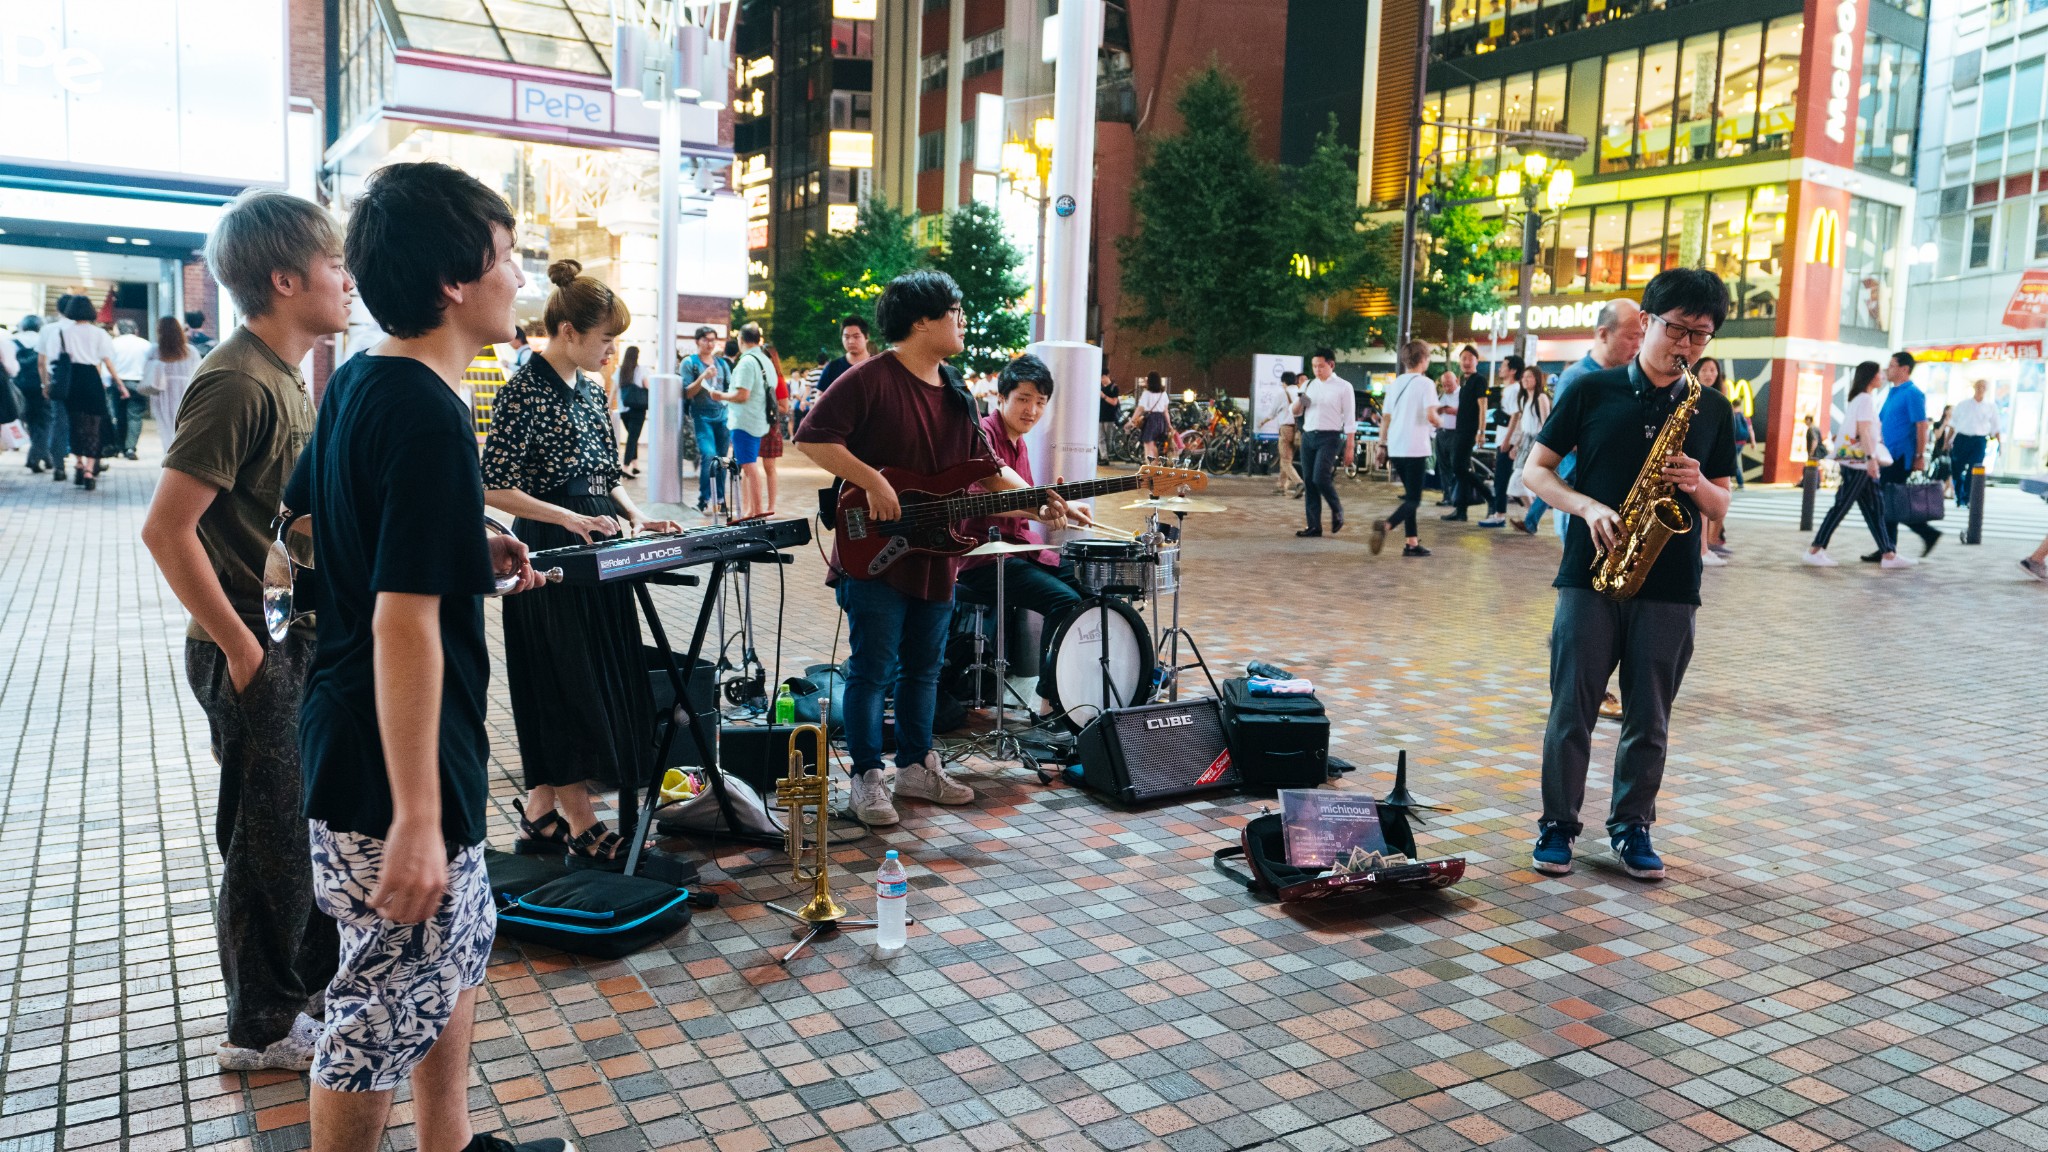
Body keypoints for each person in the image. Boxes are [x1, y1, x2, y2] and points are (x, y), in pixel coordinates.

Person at [284, 161, 559, 1152]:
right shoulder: (428, 413)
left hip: (375, 734)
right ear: (454, 280)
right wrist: (413, 819)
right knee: (373, 1017)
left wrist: (457, 548)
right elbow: (402, 622)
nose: (518, 277)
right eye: (505, 255)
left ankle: (450, 1144)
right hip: (391, 766)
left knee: (453, 956)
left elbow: (310, 524)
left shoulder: (365, 379)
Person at [141, 189, 353, 1073]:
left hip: (284, 639)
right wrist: (240, 649)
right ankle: (262, 1027)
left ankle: (298, 999)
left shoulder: (284, 373)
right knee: (266, 834)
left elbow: (278, 521)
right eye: (336, 267)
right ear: (283, 277)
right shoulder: (235, 380)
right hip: (248, 645)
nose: (349, 282)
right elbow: (165, 527)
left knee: (293, 828)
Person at [795, 270, 1073, 826]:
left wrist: (1042, 500)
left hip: (936, 556)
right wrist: (873, 481)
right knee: (872, 669)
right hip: (875, 552)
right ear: (921, 321)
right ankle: (867, 776)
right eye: (954, 311)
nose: (962, 320)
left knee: (924, 668)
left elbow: (989, 473)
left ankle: (918, 765)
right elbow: (812, 436)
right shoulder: (870, 378)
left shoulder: (957, 391)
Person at [1521, 268, 1738, 882]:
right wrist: (1586, 506)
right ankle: (1558, 825)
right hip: (1590, 574)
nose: (1687, 346)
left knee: (1650, 717)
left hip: (1670, 584)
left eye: (1701, 336)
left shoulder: (1712, 408)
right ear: (1646, 322)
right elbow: (1536, 473)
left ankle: (1631, 826)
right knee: (1572, 710)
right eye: (1677, 330)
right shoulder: (1591, 391)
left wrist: (1696, 484)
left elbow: (1721, 507)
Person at [483, 260, 680, 869]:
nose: (610, 350)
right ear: (567, 331)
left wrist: (639, 516)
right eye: (604, 339)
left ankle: (541, 813)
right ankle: (578, 820)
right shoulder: (523, 389)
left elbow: (604, 477)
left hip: (597, 539)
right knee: (563, 681)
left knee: (590, 677)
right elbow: (493, 486)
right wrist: (567, 518)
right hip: (549, 544)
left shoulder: (594, 392)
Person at [954, 354, 1091, 707]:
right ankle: (1047, 703)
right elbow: (984, 500)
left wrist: (1065, 509)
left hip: (1019, 549)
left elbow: (1028, 501)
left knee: (1087, 586)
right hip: (981, 558)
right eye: (1024, 399)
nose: (1032, 410)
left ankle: (1076, 687)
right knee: (1064, 601)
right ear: (1002, 397)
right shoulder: (982, 433)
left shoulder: (1020, 441)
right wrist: (1044, 510)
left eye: (1040, 402)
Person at [1520, 299, 1642, 535]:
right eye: (1631, 336)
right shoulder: (1576, 379)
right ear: (1603, 334)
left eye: (1641, 336)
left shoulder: (1630, 378)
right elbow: (1563, 441)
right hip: (1579, 498)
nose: (1637, 345)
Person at [1803, 361, 1908, 569]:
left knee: (1876, 507)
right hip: (1858, 463)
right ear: (1870, 377)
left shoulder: (1859, 399)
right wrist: (1871, 460)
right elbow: (1865, 431)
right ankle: (1815, 549)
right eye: (1879, 373)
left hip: (1856, 461)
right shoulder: (1865, 400)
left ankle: (1888, 553)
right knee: (1842, 506)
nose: (1883, 376)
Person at [47, 296, 120, 491]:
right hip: (91, 379)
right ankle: (89, 469)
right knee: (94, 424)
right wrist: (119, 385)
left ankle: (78, 462)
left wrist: (48, 384)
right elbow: (107, 361)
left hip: (71, 381)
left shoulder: (60, 332)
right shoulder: (99, 334)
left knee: (74, 422)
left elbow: (53, 360)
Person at [1874, 351, 1942, 559]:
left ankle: (1890, 547)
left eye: (1892, 365)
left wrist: (1919, 456)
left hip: (1901, 456)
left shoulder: (1913, 393)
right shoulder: (1893, 392)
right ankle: (1892, 546)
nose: (1888, 369)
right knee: (1892, 502)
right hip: (1887, 455)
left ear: (1905, 369)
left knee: (1889, 502)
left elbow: (1921, 425)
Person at [1370, 340, 1434, 557]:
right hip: (1415, 446)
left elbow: (1385, 418)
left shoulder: (1395, 384)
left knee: (1409, 498)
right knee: (1414, 499)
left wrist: (1382, 444)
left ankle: (1411, 543)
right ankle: (1387, 525)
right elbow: (1432, 415)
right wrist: (1442, 422)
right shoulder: (1426, 384)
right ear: (1423, 359)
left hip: (1395, 447)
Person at [709, 322, 773, 518]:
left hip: (744, 421)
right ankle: (751, 510)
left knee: (749, 466)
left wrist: (720, 395)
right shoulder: (765, 360)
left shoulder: (746, 362)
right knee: (749, 465)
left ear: (741, 340)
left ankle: (757, 511)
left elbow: (742, 394)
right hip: (759, 419)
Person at [1293, 350, 1356, 537]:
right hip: (1308, 436)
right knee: (1309, 482)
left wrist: (1350, 447)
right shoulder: (1309, 385)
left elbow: (1351, 419)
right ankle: (1314, 525)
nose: (1317, 370)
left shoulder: (1344, 387)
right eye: (1314, 366)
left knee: (1320, 477)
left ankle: (1337, 509)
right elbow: (1295, 412)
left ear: (1331, 365)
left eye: (1321, 366)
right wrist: (1300, 402)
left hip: (1330, 437)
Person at [679, 326, 730, 513]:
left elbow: (728, 389)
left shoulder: (722, 364)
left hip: (723, 416)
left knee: (723, 459)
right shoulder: (689, 363)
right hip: (702, 416)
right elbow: (686, 393)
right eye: (705, 340)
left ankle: (720, 499)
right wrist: (703, 376)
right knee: (708, 455)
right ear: (697, 341)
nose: (709, 344)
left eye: (712, 340)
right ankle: (704, 498)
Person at [142, 315, 202, 453]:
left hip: (162, 390)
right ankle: (183, 453)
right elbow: (198, 372)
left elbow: (146, 370)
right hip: (185, 390)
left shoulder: (155, 350)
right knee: (185, 424)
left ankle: (169, 454)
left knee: (165, 426)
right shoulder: (190, 351)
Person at [1694, 357, 1732, 567]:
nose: (1710, 374)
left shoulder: (1719, 400)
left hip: (1713, 458)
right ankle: (1703, 548)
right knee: (1701, 505)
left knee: (1717, 502)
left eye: (1713, 370)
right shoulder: (1689, 394)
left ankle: (1710, 544)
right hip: (1699, 459)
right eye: (1706, 370)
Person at [1480, 355, 1524, 527]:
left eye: (1504, 366)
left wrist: (1507, 440)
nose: (1500, 368)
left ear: (1513, 370)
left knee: (1502, 478)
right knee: (1503, 478)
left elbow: (1515, 415)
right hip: (1504, 438)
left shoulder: (1514, 389)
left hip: (1508, 440)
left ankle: (1499, 514)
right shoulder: (1509, 389)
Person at [1445, 345, 1488, 520]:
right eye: (1463, 358)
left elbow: (1482, 406)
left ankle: (1489, 495)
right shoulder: (1464, 380)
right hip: (1459, 430)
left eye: (1470, 358)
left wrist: (1481, 431)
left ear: (1476, 361)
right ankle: (1461, 511)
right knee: (1460, 470)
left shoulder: (1479, 380)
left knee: (1459, 467)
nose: (1466, 361)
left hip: (1469, 431)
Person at [1501, 364, 1551, 509]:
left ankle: (1531, 517)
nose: (1525, 379)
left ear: (1537, 379)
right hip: (1526, 442)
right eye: (1523, 377)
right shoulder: (1524, 400)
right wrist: (1516, 445)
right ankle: (1531, 517)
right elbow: (1524, 428)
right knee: (1521, 480)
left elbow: (1546, 424)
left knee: (1519, 478)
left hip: (1536, 442)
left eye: (1529, 376)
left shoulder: (1541, 398)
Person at [13, 316, 58, 476]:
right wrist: (47, 384)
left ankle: (46, 457)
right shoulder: (44, 339)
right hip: (40, 386)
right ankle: (35, 457)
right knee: (45, 421)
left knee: (31, 421)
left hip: (18, 387)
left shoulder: (13, 340)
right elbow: (48, 364)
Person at [1948, 379, 1999, 508]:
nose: (1980, 389)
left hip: (1979, 440)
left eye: (1983, 387)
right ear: (1974, 387)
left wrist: (2000, 444)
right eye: (1979, 386)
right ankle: (1959, 495)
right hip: (1962, 438)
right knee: (1957, 468)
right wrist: (1947, 441)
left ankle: (1967, 497)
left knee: (1975, 469)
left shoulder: (1990, 407)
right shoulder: (1963, 404)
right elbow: (1953, 425)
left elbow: (1995, 426)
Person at [110, 318, 154, 458]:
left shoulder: (113, 344)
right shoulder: (146, 345)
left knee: (118, 415)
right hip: (138, 383)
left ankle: (118, 446)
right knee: (135, 416)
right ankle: (130, 448)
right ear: (136, 331)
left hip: (117, 383)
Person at [759, 342, 792, 516]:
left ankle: (771, 507)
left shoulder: (778, 380)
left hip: (769, 425)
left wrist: (765, 405)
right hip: (753, 423)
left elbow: (784, 408)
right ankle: (751, 506)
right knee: (746, 467)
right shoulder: (755, 377)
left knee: (769, 466)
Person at [614, 343, 649, 477]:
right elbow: (648, 386)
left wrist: (610, 406)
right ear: (637, 356)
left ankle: (635, 465)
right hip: (638, 409)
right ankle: (625, 466)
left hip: (624, 409)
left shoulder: (620, 370)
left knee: (632, 437)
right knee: (633, 438)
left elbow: (615, 389)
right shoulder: (641, 370)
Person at [815, 314, 872, 395]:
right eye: (846, 337)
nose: (851, 341)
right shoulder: (832, 368)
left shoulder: (878, 366)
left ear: (866, 337)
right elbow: (820, 397)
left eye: (856, 336)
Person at [1430, 370, 1460, 504]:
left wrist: (1450, 410)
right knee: (1443, 466)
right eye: (1444, 385)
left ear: (1457, 381)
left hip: (1455, 433)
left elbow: (1464, 411)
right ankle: (1447, 496)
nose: (1447, 388)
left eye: (1449, 384)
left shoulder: (1462, 394)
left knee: (1456, 465)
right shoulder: (1442, 395)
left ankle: (1456, 495)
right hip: (1442, 432)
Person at [1274, 370, 1303, 497]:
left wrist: (1263, 421)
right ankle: (1282, 485)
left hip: (1285, 429)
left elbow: (1272, 412)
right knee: (1287, 458)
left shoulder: (1282, 394)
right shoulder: (1302, 394)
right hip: (1298, 430)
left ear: (1284, 382)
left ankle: (1299, 483)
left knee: (1285, 460)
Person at [1131, 371, 1171, 462]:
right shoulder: (1163, 394)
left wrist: (1132, 419)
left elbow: (1140, 408)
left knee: (1148, 444)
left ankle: (1150, 467)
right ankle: (1155, 466)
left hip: (1150, 420)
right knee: (1153, 445)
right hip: (1161, 420)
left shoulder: (1147, 393)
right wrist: (1169, 424)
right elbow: (1166, 411)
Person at [1098, 371, 1122, 459]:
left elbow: (1114, 402)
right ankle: (1104, 457)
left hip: (1110, 417)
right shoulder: (1099, 387)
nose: (1101, 380)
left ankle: (1108, 455)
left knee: (1108, 439)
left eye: (1102, 377)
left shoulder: (1114, 387)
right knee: (1100, 438)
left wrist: (1104, 396)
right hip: (1100, 416)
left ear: (1107, 376)